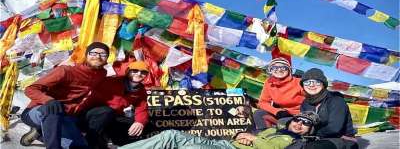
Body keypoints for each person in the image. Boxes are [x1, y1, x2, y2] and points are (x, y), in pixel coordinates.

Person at [19, 41, 109, 149]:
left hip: (67, 116)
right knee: (54, 108)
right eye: (93, 53)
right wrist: (48, 100)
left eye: (103, 54)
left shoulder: (101, 74)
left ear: (107, 58)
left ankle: (41, 133)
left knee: (80, 146)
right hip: (38, 112)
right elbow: (30, 89)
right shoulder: (66, 71)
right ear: (86, 55)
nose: (98, 57)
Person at [118, 112, 319, 149]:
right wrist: (242, 134)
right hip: (224, 143)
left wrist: (252, 139)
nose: (299, 125)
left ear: (309, 129)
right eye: (297, 121)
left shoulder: (295, 142)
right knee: (171, 135)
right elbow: (247, 135)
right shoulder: (273, 129)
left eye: (304, 124)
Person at [81, 60, 149, 148]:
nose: (139, 74)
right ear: (128, 71)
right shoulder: (111, 81)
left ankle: (119, 144)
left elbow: (142, 108)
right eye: (135, 71)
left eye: (143, 72)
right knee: (107, 111)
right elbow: (89, 88)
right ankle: (87, 143)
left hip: (112, 116)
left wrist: (140, 122)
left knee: (133, 123)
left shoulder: (141, 90)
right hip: (92, 114)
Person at [300, 68, 358, 149]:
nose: (311, 85)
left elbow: (334, 129)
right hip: (315, 138)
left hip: (342, 139)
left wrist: (309, 131)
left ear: (324, 84)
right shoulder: (305, 103)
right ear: (303, 85)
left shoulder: (336, 100)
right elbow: (304, 122)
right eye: (307, 82)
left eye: (317, 82)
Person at [253, 57, 305, 130]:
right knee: (259, 113)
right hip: (281, 114)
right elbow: (263, 102)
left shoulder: (299, 82)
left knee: (282, 122)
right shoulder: (269, 83)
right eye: (275, 67)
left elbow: (311, 100)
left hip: (299, 116)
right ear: (270, 70)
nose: (279, 70)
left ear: (289, 70)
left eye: (283, 67)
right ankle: (263, 136)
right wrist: (277, 111)